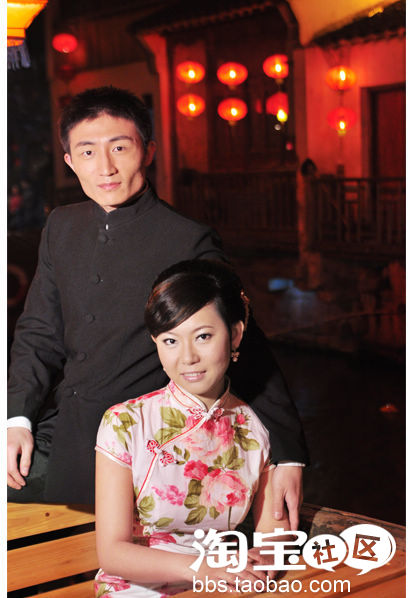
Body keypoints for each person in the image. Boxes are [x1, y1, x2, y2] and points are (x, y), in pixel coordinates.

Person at [7, 86, 307, 527]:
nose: (105, 167)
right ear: (69, 161)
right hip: (61, 426)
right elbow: (39, 332)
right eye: (87, 152)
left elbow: (245, 342)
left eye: (119, 148)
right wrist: (16, 417)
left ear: (147, 151)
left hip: (144, 441)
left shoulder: (186, 239)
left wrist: (288, 454)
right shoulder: (61, 226)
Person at [95, 259, 290, 597]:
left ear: (235, 335)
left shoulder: (258, 426)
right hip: (137, 586)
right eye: (170, 341)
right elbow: (113, 553)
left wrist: (268, 556)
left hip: (224, 582)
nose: (187, 357)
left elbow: (273, 527)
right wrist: (201, 568)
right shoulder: (126, 422)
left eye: (203, 336)